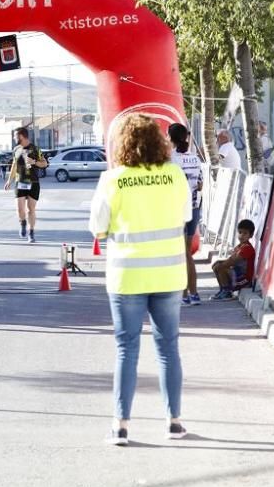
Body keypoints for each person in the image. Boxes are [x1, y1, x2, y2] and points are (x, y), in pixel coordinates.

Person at [88, 113, 192, 446]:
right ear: (158, 142)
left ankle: (120, 425)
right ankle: (174, 421)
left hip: (127, 276)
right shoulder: (175, 175)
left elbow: (98, 228)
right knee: (168, 348)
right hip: (167, 273)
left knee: (126, 349)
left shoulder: (113, 179)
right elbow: (186, 217)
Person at [168, 123, 204, 306]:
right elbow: (200, 185)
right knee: (188, 253)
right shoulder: (195, 158)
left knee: (181, 253)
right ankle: (194, 293)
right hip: (194, 207)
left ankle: (183, 295)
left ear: (170, 138)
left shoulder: (171, 159)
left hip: (178, 209)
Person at [4, 127, 47, 243]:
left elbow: (44, 163)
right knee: (19, 209)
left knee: (31, 209)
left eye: (15, 136)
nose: (14, 138)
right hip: (20, 182)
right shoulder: (16, 149)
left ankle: (31, 232)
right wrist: (9, 180)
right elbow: (14, 165)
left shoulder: (35, 149)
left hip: (33, 182)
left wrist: (35, 162)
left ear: (22, 136)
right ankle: (23, 222)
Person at [211, 219, 256, 300]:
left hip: (245, 280)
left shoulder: (247, 248)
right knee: (216, 265)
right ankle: (223, 290)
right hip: (238, 275)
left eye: (245, 233)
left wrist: (221, 265)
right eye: (240, 232)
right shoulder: (239, 247)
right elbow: (230, 260)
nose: (242, 235)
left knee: (221, 267)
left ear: (251, 235)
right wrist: (218, 264)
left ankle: (227, 292)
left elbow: (232, 261)